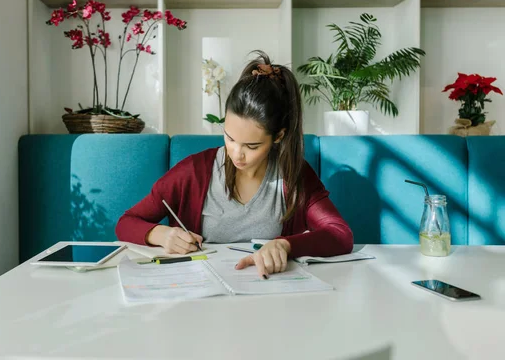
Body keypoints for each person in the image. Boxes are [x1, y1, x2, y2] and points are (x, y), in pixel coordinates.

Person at [116, 51, 353, 279]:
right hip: (201, 293)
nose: (236, 154)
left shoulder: (293, 175)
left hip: (269, 293)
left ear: (278, 136)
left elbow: (341, 235)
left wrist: (284, 245)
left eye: (251, 146)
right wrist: (161, 234)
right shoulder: (193, 172)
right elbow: (126, 223)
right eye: (229, 137)